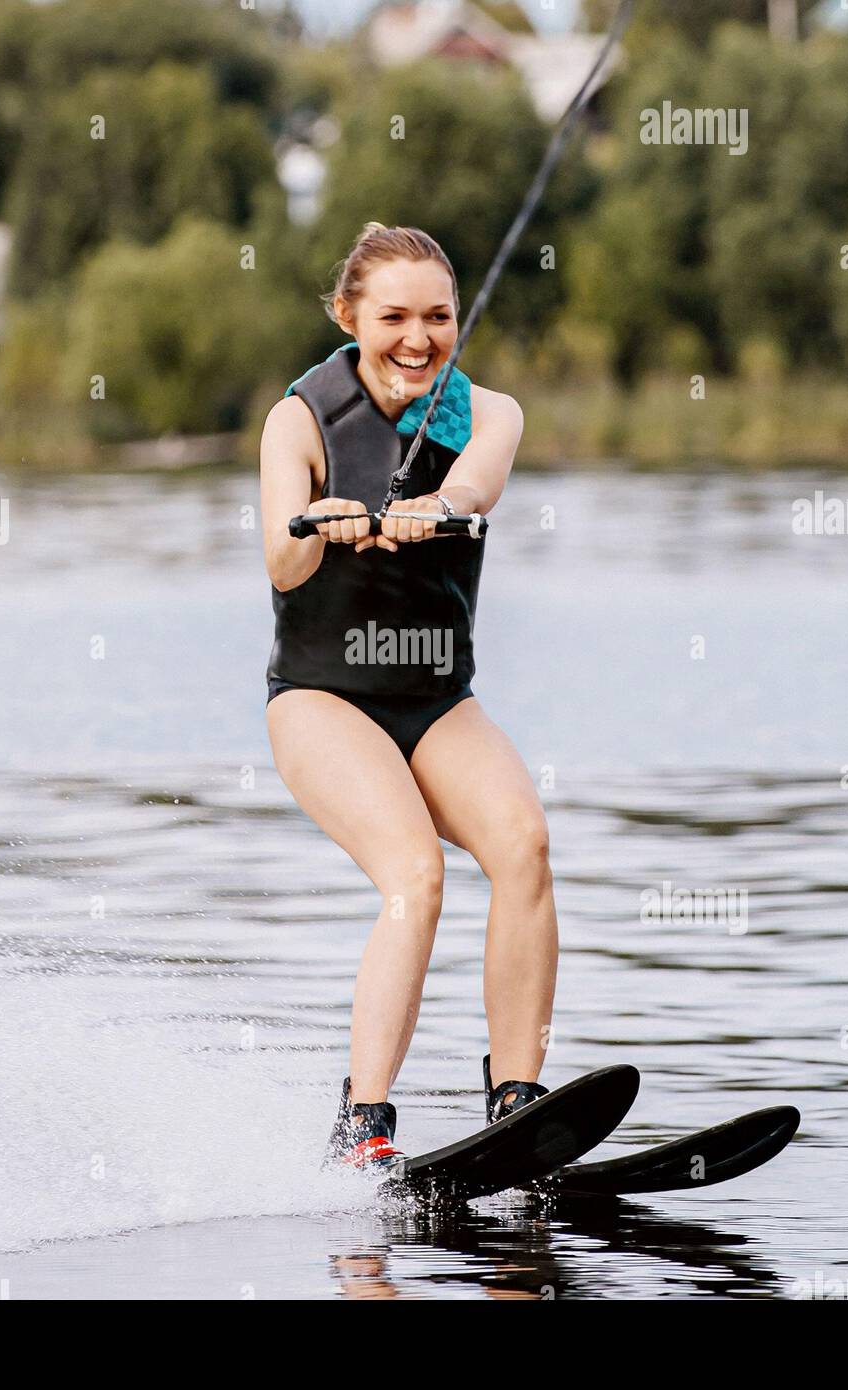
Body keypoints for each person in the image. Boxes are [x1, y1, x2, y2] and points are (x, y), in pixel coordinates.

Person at [260, 223, 558, 1171]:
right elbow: (279, 552)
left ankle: (516, 1096)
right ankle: (365, 1122)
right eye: (394, 317)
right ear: (351, 318)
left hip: (435, 701)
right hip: (322, 699)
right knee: (414, 874)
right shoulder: (299, 420)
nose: (418, 338)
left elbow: (478, 485)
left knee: (523, 844)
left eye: (438, 316)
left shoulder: (490, 412)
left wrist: (437, 508)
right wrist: (322, 520)